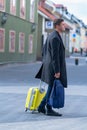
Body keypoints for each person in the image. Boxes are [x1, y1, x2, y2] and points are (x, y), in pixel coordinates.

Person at [35, 18, 67, 116]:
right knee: (52, 86)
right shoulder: (55, 38)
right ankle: (48, 108)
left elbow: (44, 51)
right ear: (57, 25)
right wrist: (57, 70)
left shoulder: (52, 36)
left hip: (49, 66)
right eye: (62, 24)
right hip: (53, 68)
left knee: (51, 86)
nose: (64, 26)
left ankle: (41, 106)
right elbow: (55, 56)